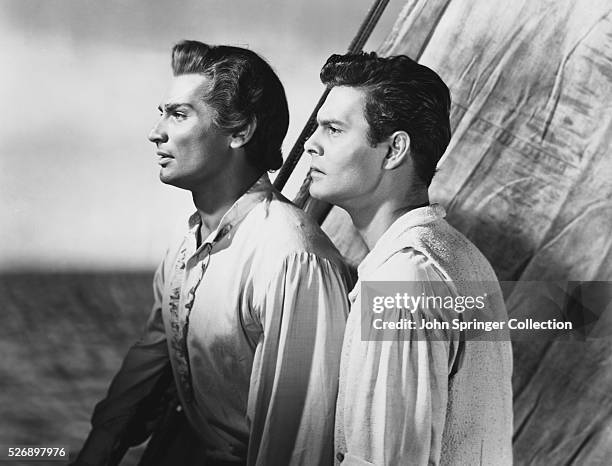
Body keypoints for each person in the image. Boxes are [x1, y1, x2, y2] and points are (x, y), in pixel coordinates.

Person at [74, 40, 352, 466]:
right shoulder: (185, 249)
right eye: (161, 112)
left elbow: (298, 444)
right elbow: (146, 369)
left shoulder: (292, 259)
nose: (156, 132)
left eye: (179, 114)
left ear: (240, 131)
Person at [304, 52, 513, 465]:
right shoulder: (459, 256)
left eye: (333, 129)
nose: (311, 143)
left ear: (394, 149)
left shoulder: (402, 280)